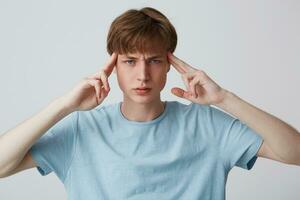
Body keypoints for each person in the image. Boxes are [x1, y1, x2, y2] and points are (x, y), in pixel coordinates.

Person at [0, 7, 299, 200]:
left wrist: (224, 99)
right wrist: (64, 105)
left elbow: (294, 153)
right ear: (113, 65)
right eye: (130, 61)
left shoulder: (207, 125)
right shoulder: (82, 129)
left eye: (154, 61)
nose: (142, 75)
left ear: (169, 64)